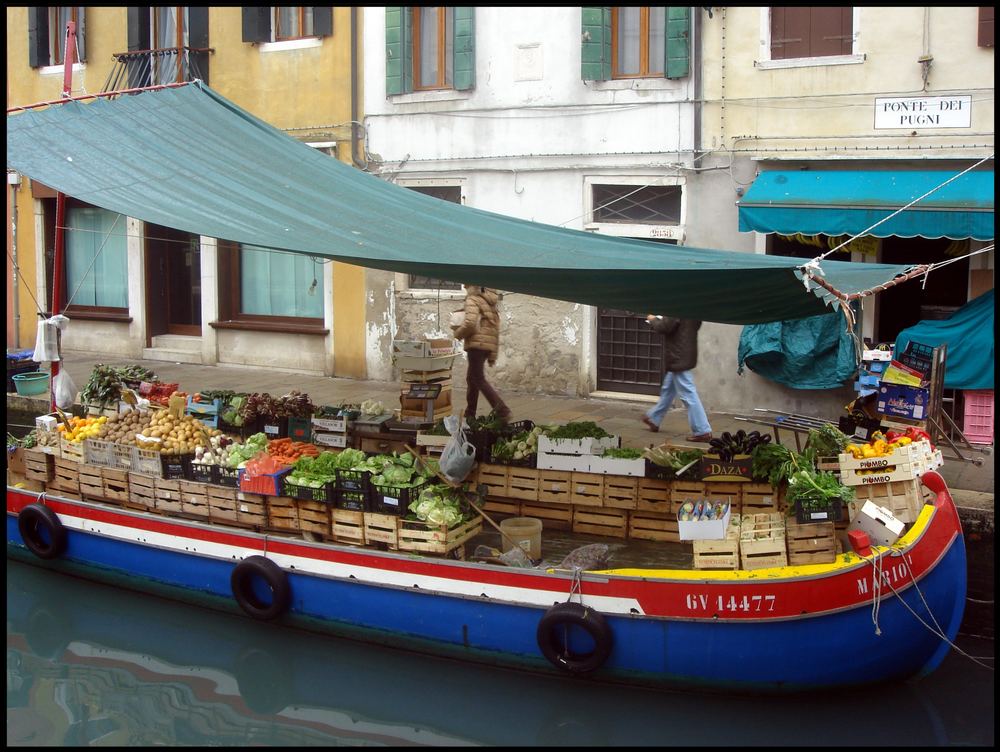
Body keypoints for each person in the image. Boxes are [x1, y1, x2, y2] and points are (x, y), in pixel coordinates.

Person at [641, 314, 713, 442]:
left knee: (688, 393)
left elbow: (666, 326)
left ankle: (702, 430)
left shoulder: (676, 305)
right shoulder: (693, 304)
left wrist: (653, 320)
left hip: (678, 354)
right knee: (668, 389)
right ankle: (654, 418)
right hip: (685, 351)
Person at [451, 285, 512, 424]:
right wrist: (492, 354)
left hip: (476, 344)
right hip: (485, 346)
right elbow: (495, 328)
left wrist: (457, 334)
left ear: (471, 286)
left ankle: (502, 410)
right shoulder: (490, 302)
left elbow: (470, 323)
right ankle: (470, 414)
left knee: (478, 379)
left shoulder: (473, 299)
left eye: (466, 286)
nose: (465, 288)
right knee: (472, 378)